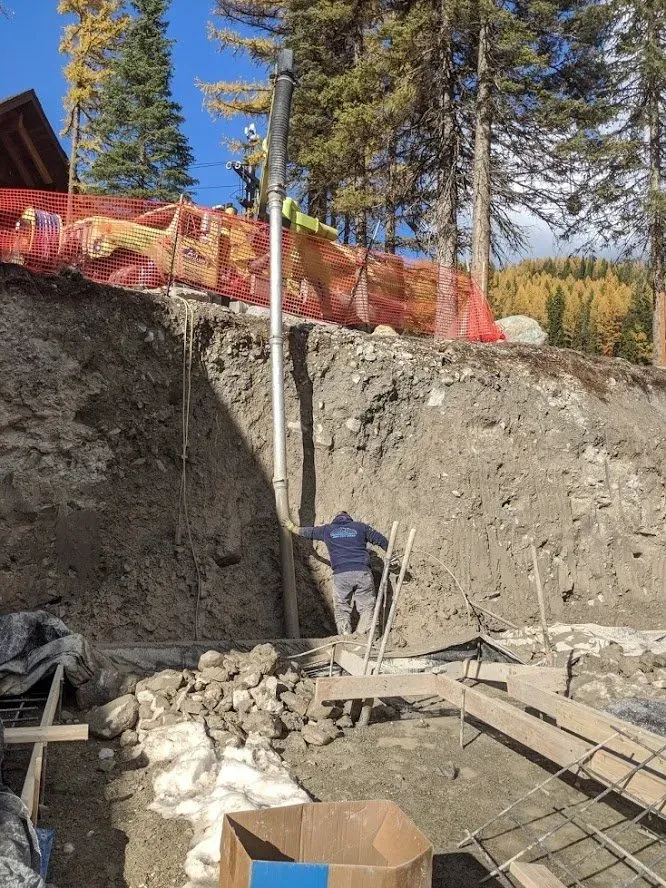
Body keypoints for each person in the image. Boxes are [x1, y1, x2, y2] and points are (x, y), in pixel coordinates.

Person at [284, 511, 388, 636]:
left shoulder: (328, 530)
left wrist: (292, 527)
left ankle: (345, 635)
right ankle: (371, 634)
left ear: (335, 520)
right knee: (367, 605)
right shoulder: (360, 527)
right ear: (350, 520)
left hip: (341, 575)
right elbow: (381, 540)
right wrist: (390, 552)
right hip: (362, 572)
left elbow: (309, 532)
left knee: (342, 607)